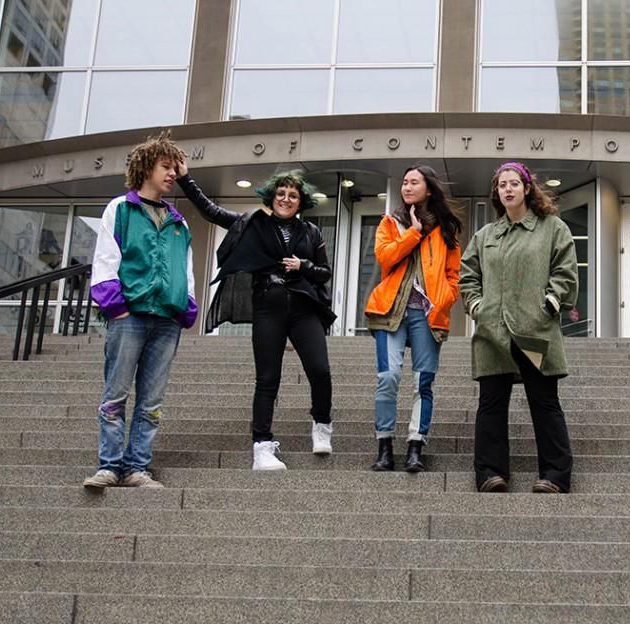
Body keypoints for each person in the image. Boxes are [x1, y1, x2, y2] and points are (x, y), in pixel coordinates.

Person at [176, 164, 335, 471]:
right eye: (281, 193)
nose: (286, 199)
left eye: (292, 195)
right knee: (267, 379)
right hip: (268, 307)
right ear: (271, 197)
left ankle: (321, 424)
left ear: (301, 202)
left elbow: (324, 272)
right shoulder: (252, 223)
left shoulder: (310, 232)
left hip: (303, 308)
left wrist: (303, 266)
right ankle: (262, 447)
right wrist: (185, 178)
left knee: (320, 370)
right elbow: (210, 211)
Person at [83, 131, 197, 489]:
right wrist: (115, 307)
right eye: (165, 166)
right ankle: (109, 466)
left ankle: (137, 468)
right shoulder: (120, 209)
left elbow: (186, 269)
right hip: (128, 316)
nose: (172, 174)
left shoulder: (179, 222)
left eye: (175, 169)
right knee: (115, 394)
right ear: (146, 167)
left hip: (166, 321)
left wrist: (185, 308)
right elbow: (105, 260)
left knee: (152, 401)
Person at [459, 161, 578, 494]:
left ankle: (555, 475)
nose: (507, 189)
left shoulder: (552, 228)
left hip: (534, 330)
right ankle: (490, 473)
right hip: (492, 334)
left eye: (513, 183)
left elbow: (565, 271)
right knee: (491, 403)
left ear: (527, 188)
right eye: (501, 185)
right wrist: (477, 306)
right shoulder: (486, 236)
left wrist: (550, 305)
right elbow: (468, 275)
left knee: (544, 402)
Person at [364, 164, 463, 472]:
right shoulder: (390, 222)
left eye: (414, 182)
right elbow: (384, 257)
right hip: (390, 311)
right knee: (388, 377)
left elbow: (453, 276)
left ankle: (415, 446)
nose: (407, 187)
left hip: (426, 314)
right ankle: (384, 446)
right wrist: (412, 233)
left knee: (423, 382)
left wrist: (443, 300)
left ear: (429, 189)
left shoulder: (446, 229)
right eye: (404, 182)